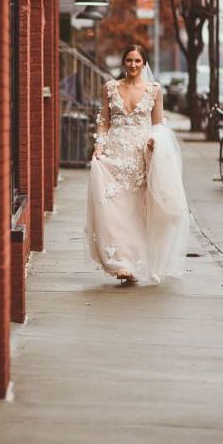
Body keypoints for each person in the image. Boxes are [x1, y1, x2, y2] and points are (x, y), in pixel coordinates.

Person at [86, 44, 190, 285]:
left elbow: (158, 123)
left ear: (144, 64)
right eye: (129, 60)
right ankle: (121, 262)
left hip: (141, 155)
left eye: (137, 61)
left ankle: (136, 260)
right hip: (114, 153)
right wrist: (99, 146)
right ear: (123, 63)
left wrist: (155, 141)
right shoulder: (111, 88)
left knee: (136, 210)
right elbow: (104, 120)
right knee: (114, 208)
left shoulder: (154, 90)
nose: (133, 65)